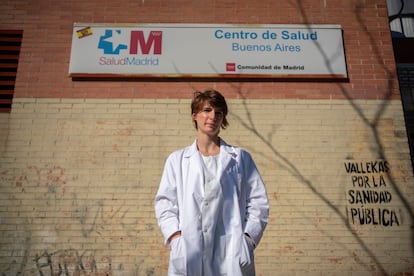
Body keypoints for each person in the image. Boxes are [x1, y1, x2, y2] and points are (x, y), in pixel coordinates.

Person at [154, 89, 269, 276]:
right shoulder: (177, 160)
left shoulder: (240, 159)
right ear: (194, 116)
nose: (212, 116)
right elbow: (165, 203)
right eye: (207, 110)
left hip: (231, 251)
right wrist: (176, 238)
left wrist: (248, 239)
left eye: (219, 113)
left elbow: (258, 202)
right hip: (190, 251)